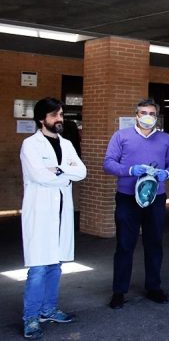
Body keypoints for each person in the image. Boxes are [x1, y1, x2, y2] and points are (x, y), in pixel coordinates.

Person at [19, 98, 86, 339]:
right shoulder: (30, 145)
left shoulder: (66, 144)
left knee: (55, 265)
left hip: (61, 212)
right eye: (55, 115)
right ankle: (31, 317)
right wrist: (65, 174)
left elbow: (81, 172)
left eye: (61, 114)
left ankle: (48, 310)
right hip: (40, 212)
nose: (60, 119)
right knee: (38, 267)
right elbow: (39, 176)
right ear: (41, 119)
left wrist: (58, 170)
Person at [103, 99, 169, 309]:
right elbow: (108, 163)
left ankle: (154, 287)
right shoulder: (121, 136)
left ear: (157, 117)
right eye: (143, 112)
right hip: (127, 197)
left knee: (154, 243)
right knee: (125, 244)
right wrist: (129, 170)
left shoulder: (165, 139)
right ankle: (119, 291)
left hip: (155, 197)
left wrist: (166, 174)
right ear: (136, 115)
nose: (147, 116)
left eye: (152, 113)